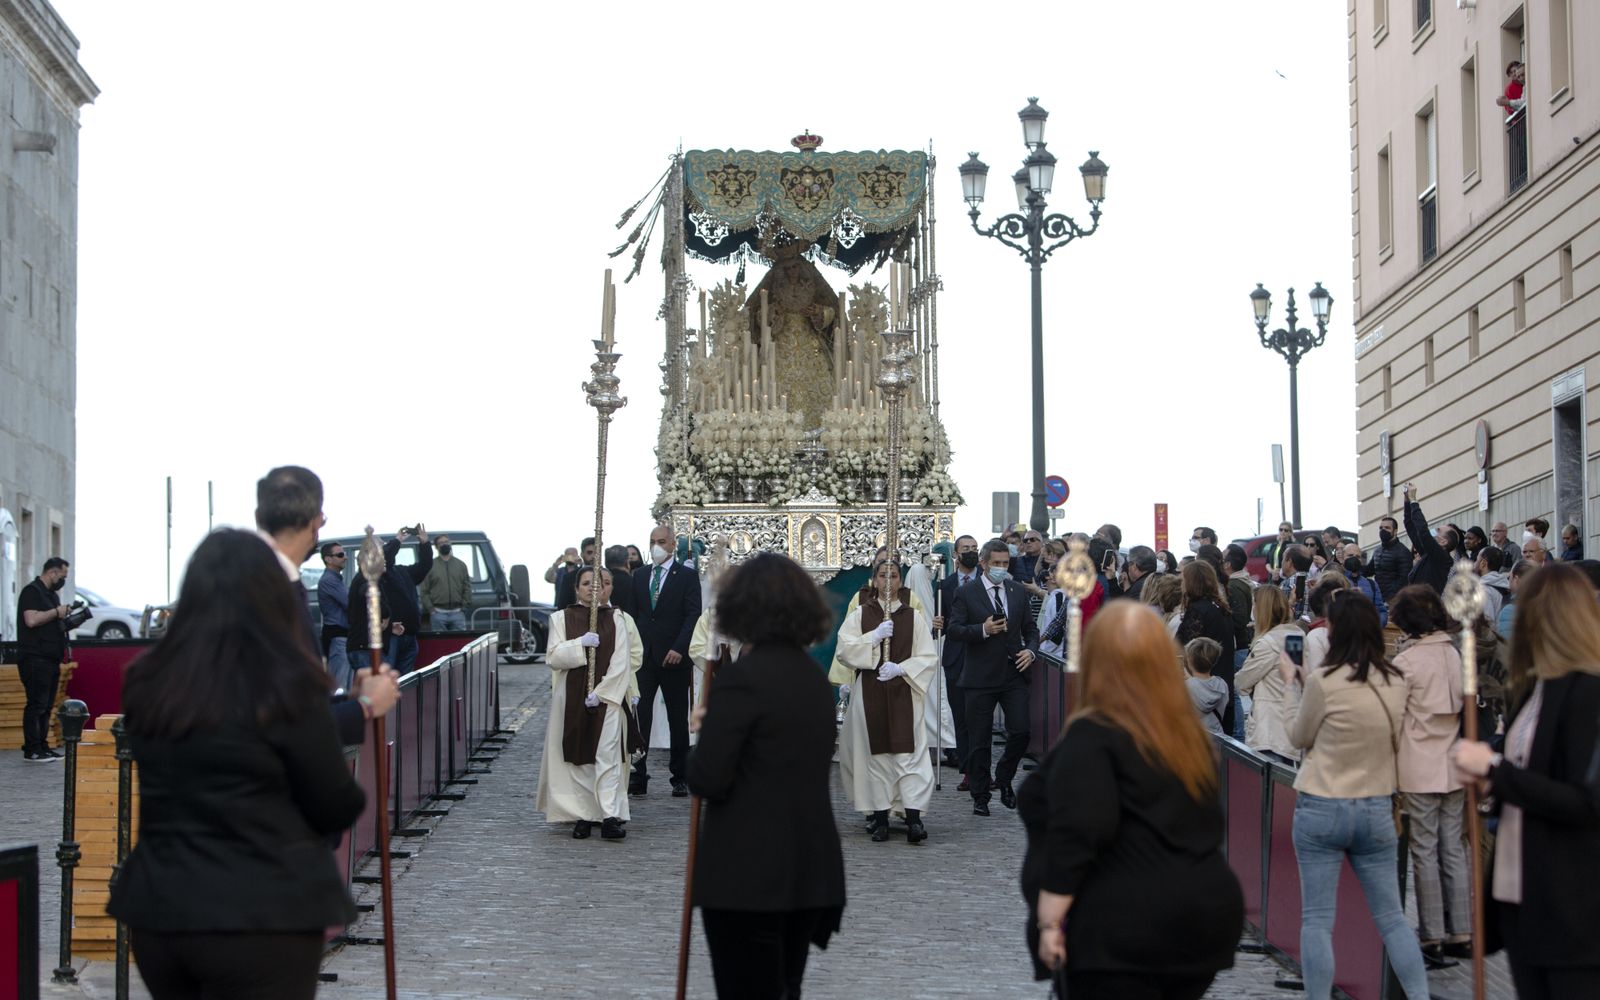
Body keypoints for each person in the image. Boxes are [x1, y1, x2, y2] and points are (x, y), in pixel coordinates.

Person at [108, 530, 367, 1000]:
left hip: (162, 910)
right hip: (261, 912)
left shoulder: (148, 680)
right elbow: (333, 803)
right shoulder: (287, 684)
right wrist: (359, 713)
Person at [1023, 602, 1243, 999]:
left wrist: (1051, 921)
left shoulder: (1095, 736)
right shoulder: (1188, 738)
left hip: (1121, 926)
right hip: (1199, 920)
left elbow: (1079, 832)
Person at [687, 553, 844, 1000]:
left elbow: (707, 778)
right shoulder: (812, 680)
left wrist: (705, 728)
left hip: (748, 875)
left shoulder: (742, 681)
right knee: (785, 987)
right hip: (807, 871)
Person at [1450, 563, 1600, 998]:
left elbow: (1586, 801)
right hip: (1523, 899)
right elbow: (1525, 772)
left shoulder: (1589, 693)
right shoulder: (1534, 690)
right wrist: (1487, 773)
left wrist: (1496, 770)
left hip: (1573, 908)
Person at [1282, 589, 1432, 999]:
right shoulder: (1396, 680)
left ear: (1334, 631)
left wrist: (1293, 686)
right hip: (1376, 804)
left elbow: (1299, 736)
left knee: (1317, 920)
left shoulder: (1323, 681)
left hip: (1322, 802)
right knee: (1393, 919)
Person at [253, 465, 399, 747]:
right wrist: (363, 708)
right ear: (316, 521)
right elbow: (284, 721)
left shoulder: (278, 581)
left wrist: (349, 702)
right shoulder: (269, 589)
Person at [1385, 585, 1472, 964]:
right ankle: (1463, 930)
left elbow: (1393, 718)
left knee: (1424, 850)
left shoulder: (1407, 663)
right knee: (1453, 848)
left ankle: (1432, 933)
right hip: (1454, 761)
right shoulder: (1453, 653)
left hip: (1418, 764)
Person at [536, 565, 642, 840]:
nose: (592, 588)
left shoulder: (617, 617)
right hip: (572, 697)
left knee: (606, 756)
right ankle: (583, 815)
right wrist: (579, 644)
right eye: (585, 583)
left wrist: (604, 692)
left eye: (597, 583)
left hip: (609, 697)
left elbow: (623, 660)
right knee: (579, 757)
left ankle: (609, 815)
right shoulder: (561, 618)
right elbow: (554, 657)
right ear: (576, 588)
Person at [835, 559, 937, 842]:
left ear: (900, 581)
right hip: (871, 691)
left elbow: (927, 656)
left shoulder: (913, 617)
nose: (888, 581)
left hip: (904, 691)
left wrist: (902, 668)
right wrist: (873, 637)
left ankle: (914, 818)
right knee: (875, 758)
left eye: (893, 576)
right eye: (883, 576)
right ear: (874, 580)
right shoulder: (860, 614)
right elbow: (845, 649)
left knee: (909, 758)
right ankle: (879, 819)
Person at [947, 539, 1039, 816]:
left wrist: (1031, 652)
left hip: (1013, 673)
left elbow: (1031, 630)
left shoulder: (1016, 591)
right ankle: (980, 794)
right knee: (979, 739)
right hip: (980, 675)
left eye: (1005, 563)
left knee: (1021, 730)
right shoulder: (967, 592)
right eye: (996, 563)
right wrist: (983, 629)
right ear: (984, 563)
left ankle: (1005, 776)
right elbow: (954, 630)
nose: (1001, 568)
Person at [630, 523, 702, 797]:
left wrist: (679, 648)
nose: (656, 547)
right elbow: (635, 614)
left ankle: (679, 776)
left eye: (661, 541)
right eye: (652, 541)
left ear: (673, 544)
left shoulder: (685, 576)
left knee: (676, 719)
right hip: (645, 658)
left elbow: (692, 614)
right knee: (641, 717)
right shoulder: (640, 575)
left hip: (674, 658)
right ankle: (639, 772)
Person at [934, 534, 982, 787]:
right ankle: (967, 770)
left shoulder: (987, 582)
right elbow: (937, 623)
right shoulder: (945, 585)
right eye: (966, 548)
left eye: (975, 548)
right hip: (955, 657)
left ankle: (981, 770)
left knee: (980, 718)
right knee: (961, 717)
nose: (971, 551)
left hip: (982, 655)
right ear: (956, 554)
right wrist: (936, 625)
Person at [1235, 585, 1302, 764]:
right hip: (1290, 722)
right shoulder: (1296, 636)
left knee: (1266, 787)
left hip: (1269, 728)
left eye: (1254, 604)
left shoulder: (1267, 644)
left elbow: (1242, 681)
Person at [16, 556, 70, 761]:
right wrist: (56, 612)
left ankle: (42, 745)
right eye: (63, 575)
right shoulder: (32, 592)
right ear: (52, 572)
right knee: (36, 704)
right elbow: (31, 620)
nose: (63, 579)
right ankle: (31, 749)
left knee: (47, 705)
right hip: (34, 658)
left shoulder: (52, 596)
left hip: (51, 658)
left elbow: (53, 621)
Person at [1175, 561, 1237, 734]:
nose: (1181, 584)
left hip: (1200, 695)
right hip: (1221, 691)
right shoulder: (1221, 608)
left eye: (1183, 579)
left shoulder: (1198, 611)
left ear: (1192, 582)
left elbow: (1180, 648)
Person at [381, 528, 432, 673]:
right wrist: (398, 540)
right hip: (392, 636)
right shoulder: (379, 575)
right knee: (389, 675)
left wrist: (424, 543)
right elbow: (385, 556)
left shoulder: (403, 571)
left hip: (409, 634)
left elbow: (425, 566)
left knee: (406, 680)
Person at [1401, 483, 1454, 593]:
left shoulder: (1442, 558)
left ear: (1443, 542)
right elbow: (1410, 525)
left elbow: (1423, 532)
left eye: (1438, 530)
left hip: (1427, 607)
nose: (1434, 531)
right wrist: (1407, 501)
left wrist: (1414, 500)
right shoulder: (1428, 554)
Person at [421, 533, 472, 631]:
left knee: (459, 644)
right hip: (437, 614)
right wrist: (431, 609)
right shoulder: (431, 565)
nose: (444, 544)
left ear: (450, 543)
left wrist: (464, 606)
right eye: (440, 543)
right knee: (439, 645)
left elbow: (467, 587)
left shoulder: (461, 565)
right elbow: (424, 590)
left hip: (458, 613)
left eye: (446, 542)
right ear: (436, 547)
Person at [316, 542, 351, 686]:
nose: (345, 558)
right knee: (340, 684)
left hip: (341, 637)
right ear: (328, 559)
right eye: (340, 555)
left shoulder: (335, 579)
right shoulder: (329, 580)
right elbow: (350, 603)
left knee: (344, 681)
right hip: (337, 638)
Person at [1183, 637, 1229, 736]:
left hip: (1193, 739)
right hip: (1217, 738)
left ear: (1189, 660)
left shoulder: (1185, 687)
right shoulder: (1222, 685)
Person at [1340, 543, 1388, 626]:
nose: (1354, 559)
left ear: (1361, 560)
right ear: (1342, 558)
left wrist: (1374, 627)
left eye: (1357, 557)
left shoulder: (1371, 584)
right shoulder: (1336, 581)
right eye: (1350, 555)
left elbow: (1381, 611)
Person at [554, 537, 597, 609]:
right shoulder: (568, 577)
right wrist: (555, 564)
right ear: (582, 554)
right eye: (589, 553)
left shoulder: (607, 576)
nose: (593, 556)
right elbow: (563, 606)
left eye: (597, 553)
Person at [1498, 559, 1532, 644]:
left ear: (1516, 579)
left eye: (1510, 577)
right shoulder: (1547, 604)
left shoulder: (1509, 611)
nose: (1508, 580)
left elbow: (1507, 644)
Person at [1475, 545, 1510, 623]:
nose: (1474, 564)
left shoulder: (1484, 590)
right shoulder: (1504, 584)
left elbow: (1487, 623)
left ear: (1483, 564)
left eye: (1476, 560)